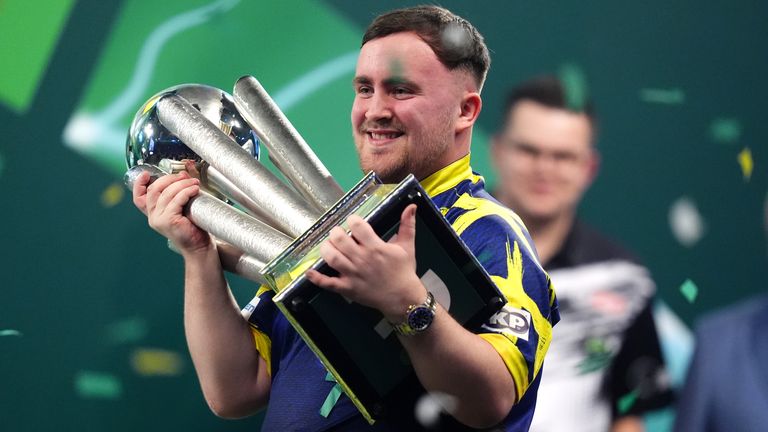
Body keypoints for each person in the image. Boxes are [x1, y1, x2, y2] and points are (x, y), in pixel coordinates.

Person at [132, 6, 558, 431]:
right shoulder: (335, 227)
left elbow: (492, 399)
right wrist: (198, 253)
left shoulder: (488, 232)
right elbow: (236, 390)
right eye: (364, 89)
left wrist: (404, 301)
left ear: (465, 111)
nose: (375, 110)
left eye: (401, 90)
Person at [490, 76, 672, 432]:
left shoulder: (623, 277)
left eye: (563, 156)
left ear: (589, 168)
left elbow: (630, 412)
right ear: (497, 151)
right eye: (529, 150)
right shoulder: (444, 249)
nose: (544, 169)